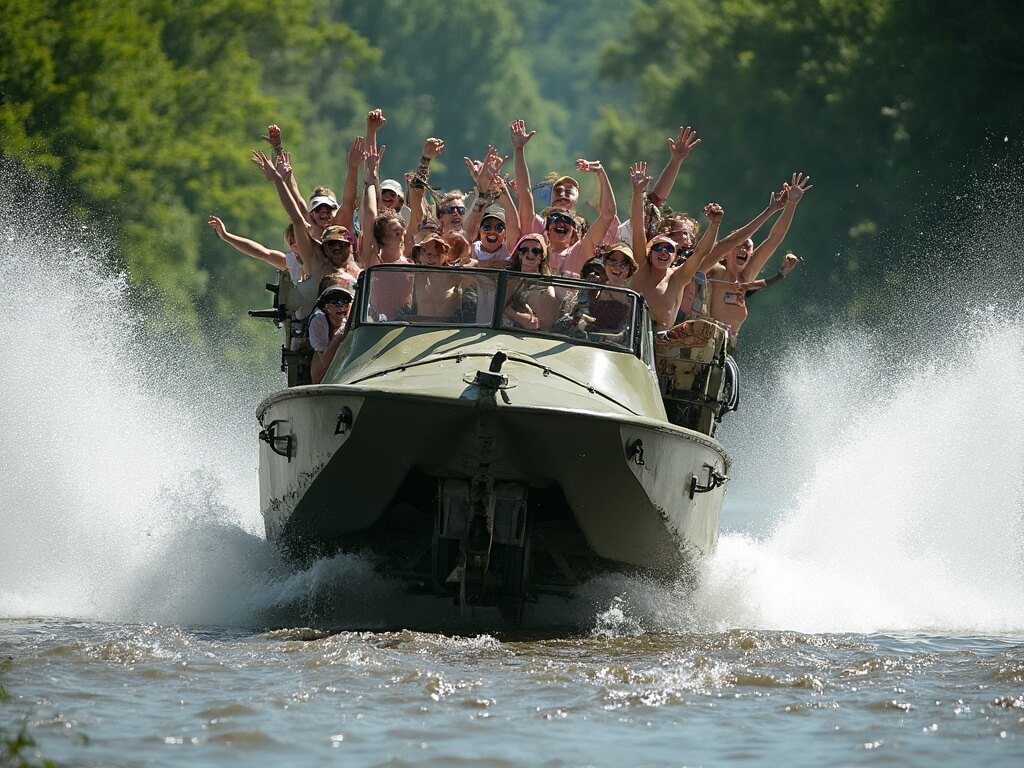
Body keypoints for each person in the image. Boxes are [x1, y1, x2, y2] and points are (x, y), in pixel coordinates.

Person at [705, 173, 812, 342]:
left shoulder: (746, 278)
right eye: (739, 245)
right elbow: (719, 248)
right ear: (727, 252)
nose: (743, 248)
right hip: (702, 342)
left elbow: (774, 238)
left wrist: (791, 205)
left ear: (751, 254)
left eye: (747, 247)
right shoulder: (716, 271)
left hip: (725, 351)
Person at [503, 234, 560, 331]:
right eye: (524, 250)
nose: (530, 254)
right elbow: (499, 308)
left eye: (536, 251)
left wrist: (511, 313)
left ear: (543, 256)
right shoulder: (509, 280)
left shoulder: (547, 286)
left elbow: (540, 324)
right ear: (519, 254)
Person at [308, 280, 354, 384]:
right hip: (326, 356)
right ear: (326, 307)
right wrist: (339, 334)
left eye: (345, 302)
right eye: (335, 303)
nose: (342, 307)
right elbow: (325, 362)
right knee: (317, 377)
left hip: (349, 358)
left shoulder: (355, 317)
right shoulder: (319, 321)